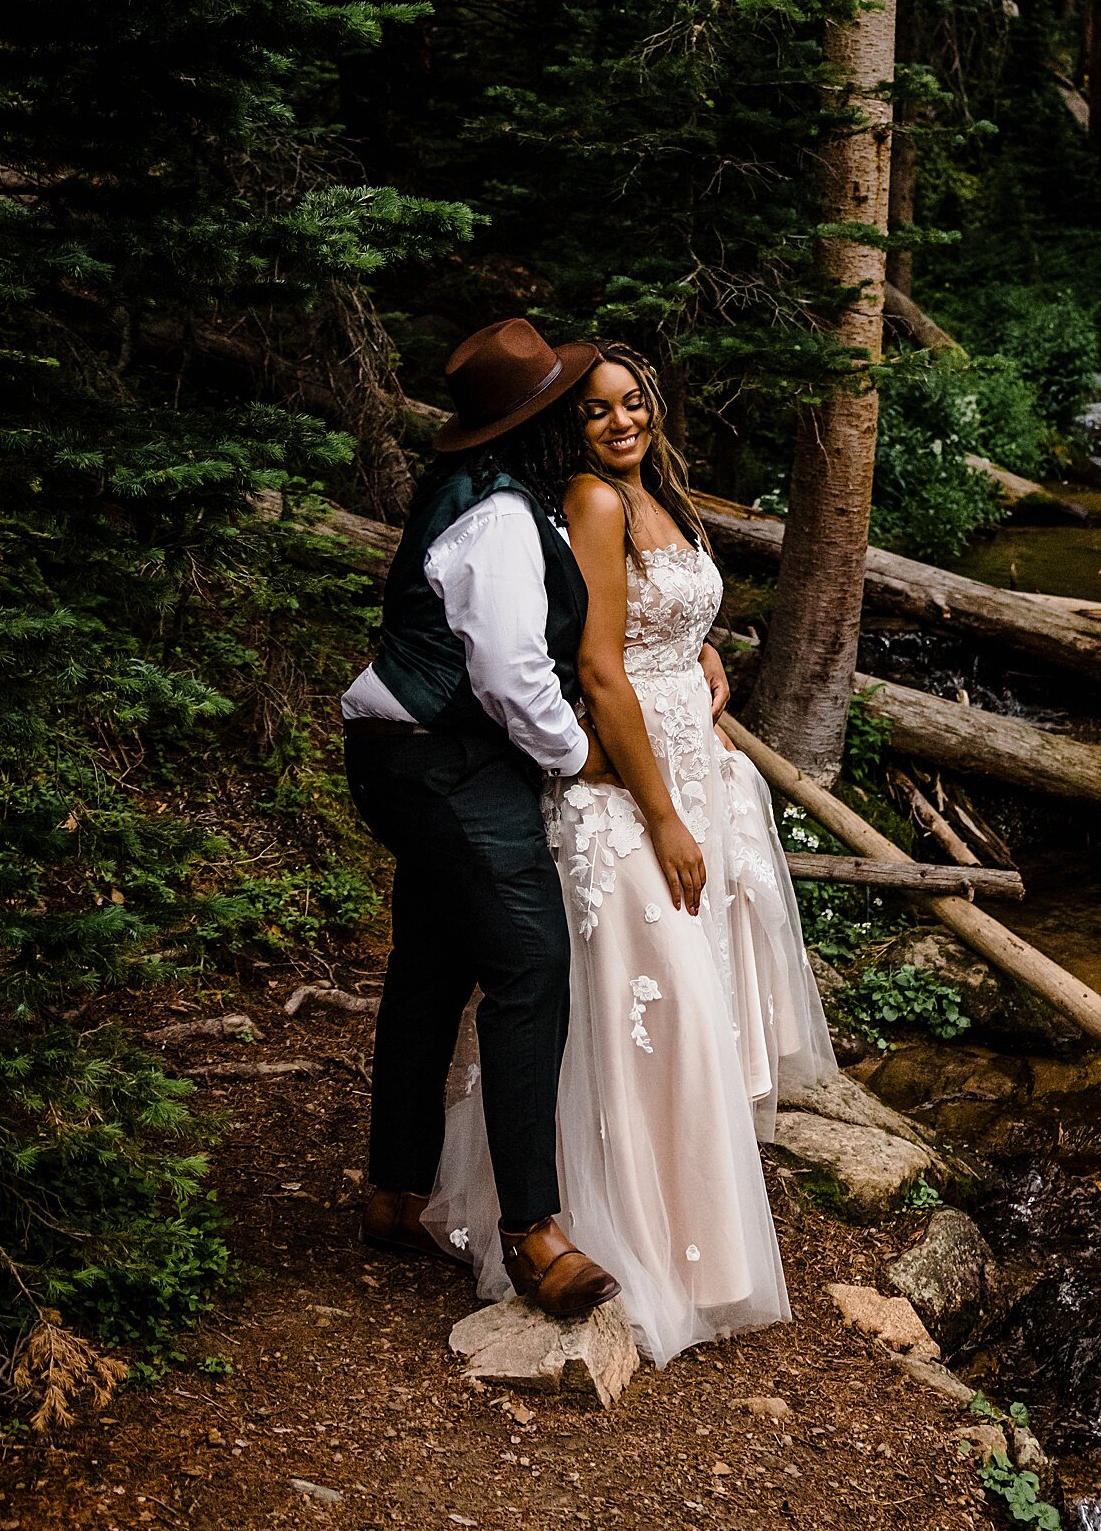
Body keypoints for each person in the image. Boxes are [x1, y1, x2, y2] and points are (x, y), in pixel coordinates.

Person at [425, 343, 836, 1364]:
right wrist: (660, 814)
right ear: (578, 423)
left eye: (634, 401)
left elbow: (669, 620)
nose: (621, 422)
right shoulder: (594, 503)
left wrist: (703, 667)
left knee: (696, 1001)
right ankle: (632, 1234)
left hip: (692, 751)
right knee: (652, 1003)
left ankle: (705, 1241)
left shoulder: (664, 497)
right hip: (627, 774)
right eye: (601, 409)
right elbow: (598, 666)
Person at [340, 316, 708, 1322]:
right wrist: (578, 753)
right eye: (567, 405)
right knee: (530, 964)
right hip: (445, 761)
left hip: (398, 748)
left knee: (431, 962)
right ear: (540, 421)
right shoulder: (504, 516)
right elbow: (511, 673)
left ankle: (394, 1189)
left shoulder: (469, 494)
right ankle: (534, 1232)